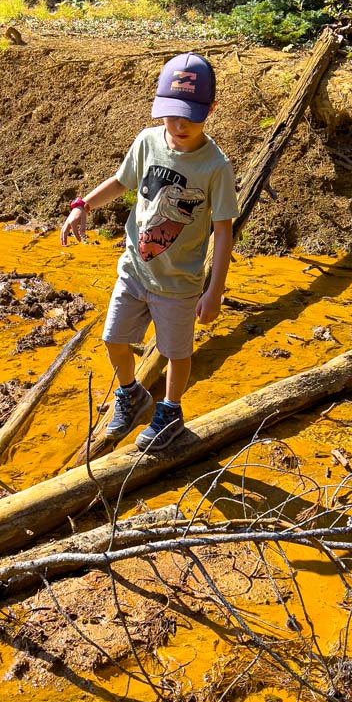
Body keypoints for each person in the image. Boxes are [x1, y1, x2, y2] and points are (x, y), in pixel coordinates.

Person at [60, 51, 238, 451]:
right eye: (170, 115)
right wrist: (82, 205)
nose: (177, 125)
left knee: (176, 352)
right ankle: (132, 394)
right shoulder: (146, 141)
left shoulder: (215, 166)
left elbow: (224, 232)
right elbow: (121, 182)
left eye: (189, 117)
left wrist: (215, 291)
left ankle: (170, 411)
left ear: (210, 109)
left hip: (178, 283)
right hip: (135, 269)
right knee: (113, 339)